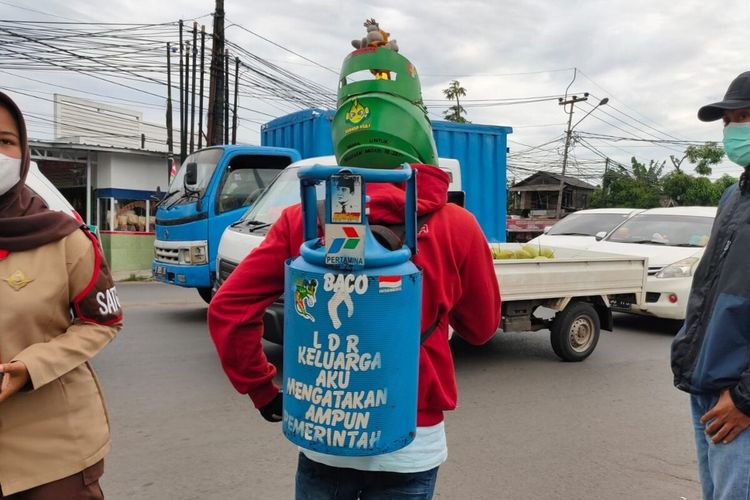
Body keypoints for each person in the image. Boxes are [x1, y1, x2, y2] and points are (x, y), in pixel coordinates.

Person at [208, 33, 501, 500]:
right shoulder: (457, 226)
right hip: (413, 439)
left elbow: (228, 310)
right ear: (420, 130)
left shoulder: (304, 217)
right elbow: (482, 329)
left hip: (325, 436)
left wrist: (263, 390)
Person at [0, 91, 123, 499]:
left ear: (23, 153)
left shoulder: (64, 238)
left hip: (51, 456)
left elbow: (102, 322)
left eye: (3, 141)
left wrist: (30, 367)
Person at [671, 71, 750, 500]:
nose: (735, 129)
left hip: (740, 400)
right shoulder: (733, 197)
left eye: (746, 116)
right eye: (729, 121)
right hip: (708, 387)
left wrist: (745, 399)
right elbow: (711, 290)